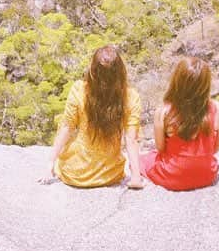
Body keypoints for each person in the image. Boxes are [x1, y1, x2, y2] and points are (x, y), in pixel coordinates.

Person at [38, 45, 144, 189]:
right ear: (120, 71)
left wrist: (50, 163)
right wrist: (136, 177)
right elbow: (131, 140)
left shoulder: (79, 90)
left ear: (93, 70)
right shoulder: (131, 97)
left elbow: (67, 127)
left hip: (76, 174)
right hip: (110, 175)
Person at [140, 56, 219, 191]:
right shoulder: (218, 109)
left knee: (143, 160)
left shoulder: (164, 111)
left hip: (172, 176)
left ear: (177, 81)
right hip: (206, 175)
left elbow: (161, 148)